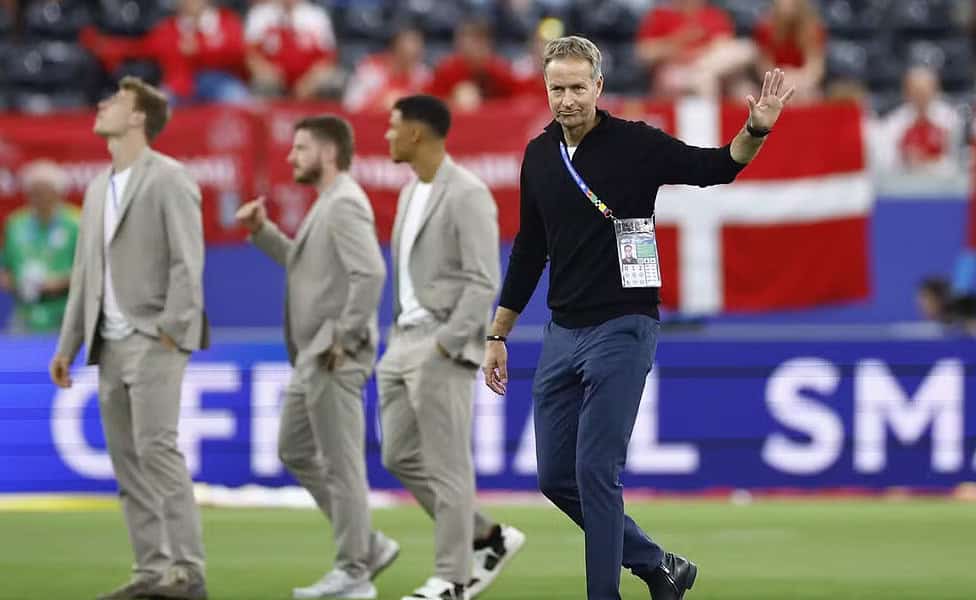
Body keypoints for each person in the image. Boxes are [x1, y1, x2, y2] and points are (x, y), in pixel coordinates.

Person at [482, 36, 793, 600]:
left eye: (579, 87)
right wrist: (498, 332)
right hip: (561, 331)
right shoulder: (537, 155)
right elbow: (530, 248)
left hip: (624, 326)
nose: (568, 99)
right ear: (545, 90)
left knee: (596, 473)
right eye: (558, 88)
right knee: (556, 477)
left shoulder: (635, 144)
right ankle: (658, 566)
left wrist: (757, 129)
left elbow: (716, 167)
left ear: (599, 88)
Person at [48, 77, 210, 600]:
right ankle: (150, 572)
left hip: (154, 338)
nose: (100, 106)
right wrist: (68, 344)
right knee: (127, 464)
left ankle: (187, 572)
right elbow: (85, 273)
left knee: (157, 451)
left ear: (138, 117)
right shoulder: (97, 188)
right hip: (110, 347)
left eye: (114, 101)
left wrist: (171, 328)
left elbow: (190, 261)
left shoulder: (170, 178)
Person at [235, 115, 397, 600]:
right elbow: (307, 269)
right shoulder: (329, 204)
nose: (291, 157)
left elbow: (370, 274)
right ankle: (366, 544)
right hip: (315, 355)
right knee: (295, 449)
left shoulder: (345, 203)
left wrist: (343, 337)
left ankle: (354, 572)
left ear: (327, 153)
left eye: (300, 147)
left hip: (333, 354)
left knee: (341, 462)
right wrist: (264, 233)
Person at [379, 95, 525, 600]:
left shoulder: (467, 192)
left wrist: (447, 343)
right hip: (402, 342)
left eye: (392, 127)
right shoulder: (407, 195)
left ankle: (452, 579)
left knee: (447, 463)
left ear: (416, 133)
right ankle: (488, 535)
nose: (386, 135)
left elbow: (483, 278)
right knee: (399, 455)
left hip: (440, 344)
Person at [80, 0, 249, 104]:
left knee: (236, 97)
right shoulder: (169, 30)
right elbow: (138, 48)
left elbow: (238, 52)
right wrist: (100, 45)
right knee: (158, 105)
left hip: (221, 83)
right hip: (180, 90)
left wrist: (202, 48)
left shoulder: (226, 22)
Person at [0, 160, 79, 333]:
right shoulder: (16, 222)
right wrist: (9, 280)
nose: (39, 198)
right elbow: (5, 265)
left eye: (44, 192)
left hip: (64, 312)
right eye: (33, 192)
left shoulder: (76, 222)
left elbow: (91, 269)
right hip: (25, 312)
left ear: (58, 192)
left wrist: (59, 283)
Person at [635, 0, 755, 98]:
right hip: (677, 70)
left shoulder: (714, 15)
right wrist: (678, 41)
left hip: (711, 66)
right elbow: (644, 53)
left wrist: (700, 53)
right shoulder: (660, 15)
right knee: (701, 81)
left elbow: (725, 46)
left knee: (744, 87)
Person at [873, 66, 964, 176]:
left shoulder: (950, 119)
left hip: (943, 185)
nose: (921, 96)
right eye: (916, 91)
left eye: (925, 91)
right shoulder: (894, 122)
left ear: (936, 91)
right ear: (906, 93)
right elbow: (887, 163)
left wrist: (929, 162)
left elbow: (956, 162)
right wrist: (906, 158)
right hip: (905, 183)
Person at [244, 0, 339, 99]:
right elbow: (250, 54)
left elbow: (329, 57)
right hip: (273, 78)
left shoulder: (317, 15)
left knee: (332, 82)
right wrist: (266, 71)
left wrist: (311, 80)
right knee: (263, 83)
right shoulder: (260, 13)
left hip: (310, 78)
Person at [426, 20, 520, 112]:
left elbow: (519, 101)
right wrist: (453, 102)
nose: (470, 47)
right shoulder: (447, 69)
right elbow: (430, 103)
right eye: (462, 39)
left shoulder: (501, 69)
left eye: (477, 41)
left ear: (487, 43)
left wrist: (486, 105)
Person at [343, 26, 431, 113]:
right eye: (405, 54)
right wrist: (379, 103)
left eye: (416, 56)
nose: (411, 61)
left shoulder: (422, 74)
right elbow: (351, 106)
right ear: (394, 50)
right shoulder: (370, 70)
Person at [752, 0, 826, 100]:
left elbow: (815, 68)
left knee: (810, 96)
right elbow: (764, 68)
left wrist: (797, 82)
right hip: (774, 83)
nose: (787, 3)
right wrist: (782, 81)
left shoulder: (813, 28)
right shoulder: (765, 27)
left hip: (803, 84)